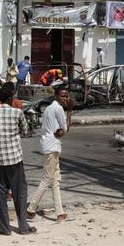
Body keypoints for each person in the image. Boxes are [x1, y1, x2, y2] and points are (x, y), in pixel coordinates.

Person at [0, 86, 36, 235]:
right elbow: (26, 131)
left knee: (0, 194)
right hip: (14, 158)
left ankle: (3, 228)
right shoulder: (17, 112)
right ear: (10, 99)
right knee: (20, 192)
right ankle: (23, 226)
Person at [27, 87, 72, 222]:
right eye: (63, 96)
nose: (65, 99)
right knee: (47, 179)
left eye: (66, 96)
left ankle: (59, 212)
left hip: (50, 145)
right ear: (56, 96)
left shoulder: (49, 108)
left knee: (56, 179)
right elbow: (65, 129)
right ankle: (31, 209)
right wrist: (70, 111)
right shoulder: (58, 108)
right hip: (52, 146)